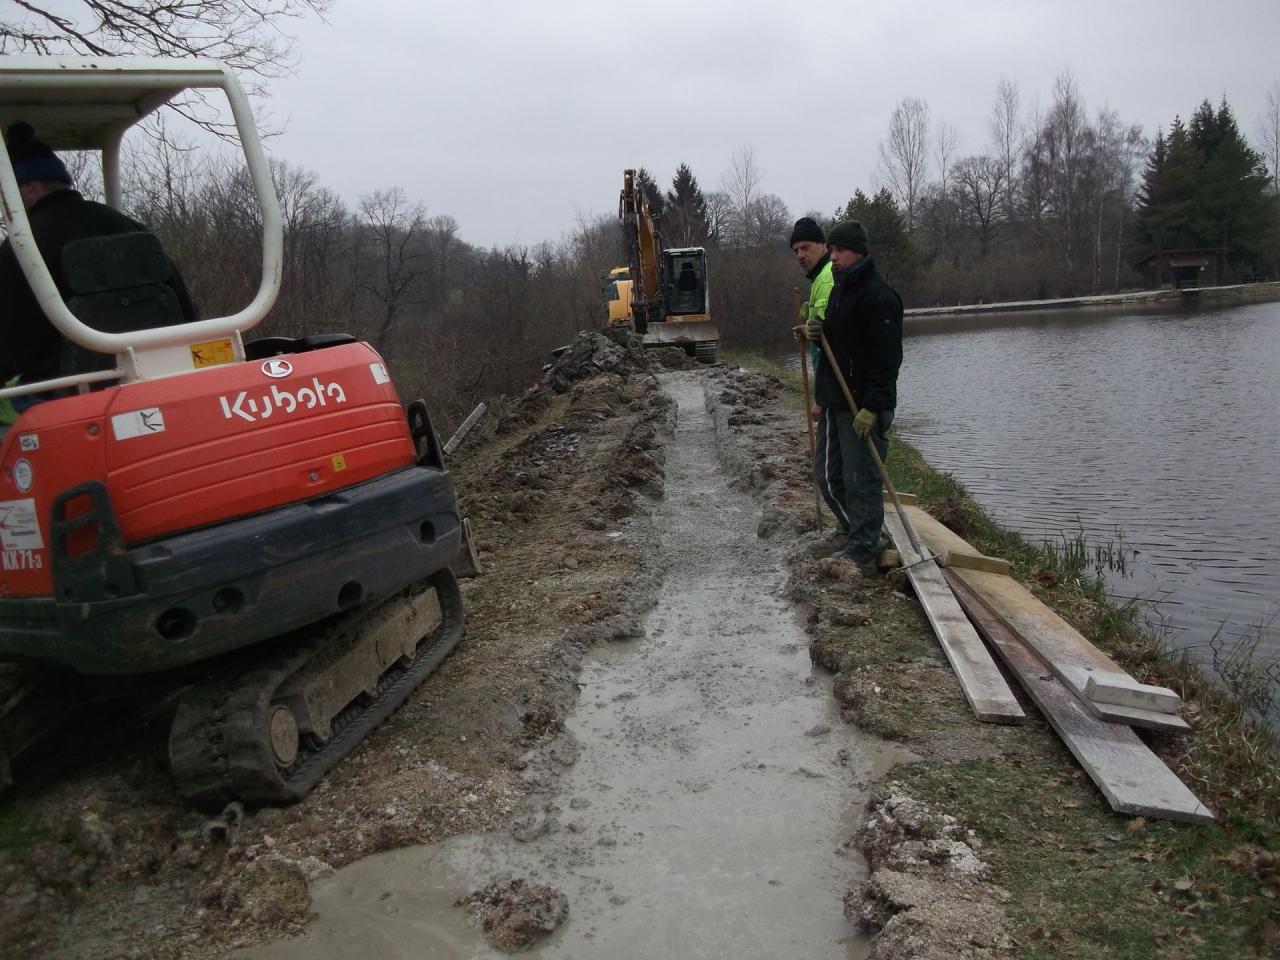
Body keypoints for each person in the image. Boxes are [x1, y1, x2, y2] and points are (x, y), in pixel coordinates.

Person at [0, 122, 196, 424]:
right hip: (151, 379)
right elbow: (186, 311)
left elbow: (11, 342)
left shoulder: (23, 247)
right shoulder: (126, 226)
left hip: (62, 397)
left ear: (29, 188)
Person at [804, 219, 903, 573]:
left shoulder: (879, 296)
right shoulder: (841, 290)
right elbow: (839, 342)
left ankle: (864, 547)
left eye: (839, 250)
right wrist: (819, 332)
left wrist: (873, 407)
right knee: (831, 475)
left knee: (862, 478)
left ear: (858, 252)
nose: (833, 257)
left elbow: (886, 359)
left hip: (861, 405)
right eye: (830, 250)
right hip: (836, 400)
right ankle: (855, 532)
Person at [789, 216, 843, 531]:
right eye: (795, 250)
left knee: (828, 472)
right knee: (830, 471)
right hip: (831, 388)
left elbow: (830, 345)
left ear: (823, 245)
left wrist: (820, 398)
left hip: (834, 391)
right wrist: (806, 330)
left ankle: (851, 533)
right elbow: (820, 332)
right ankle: (849, 530)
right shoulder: (820, 278)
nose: (800, 255)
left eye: (805, 247)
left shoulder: (826, 280)